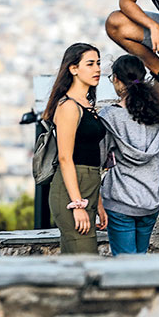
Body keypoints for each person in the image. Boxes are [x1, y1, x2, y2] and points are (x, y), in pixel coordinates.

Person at [99, 54, 159, 256]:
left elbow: (100, 158)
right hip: (151, 198)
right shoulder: (157, 114)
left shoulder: (110, 116)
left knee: (125, 267)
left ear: (117, 80)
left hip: (121, 198)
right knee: (141, 261)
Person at [44, 43, 108, 254]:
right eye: (90, 64)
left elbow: (90, 154)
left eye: (98, 63)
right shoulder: (69, 106)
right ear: (73, 69)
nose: (97, 69)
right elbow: (65, 158)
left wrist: (97, 201)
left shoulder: (87, 104)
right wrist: (78, 205)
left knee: (73, 263)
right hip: (71, 190)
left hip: (88, 187)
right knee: (87, 260)